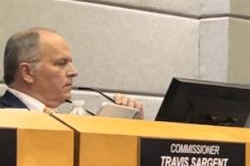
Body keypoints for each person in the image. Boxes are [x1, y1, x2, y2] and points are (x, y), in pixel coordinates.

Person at [1, 28, 144, 117]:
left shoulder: (62, 119)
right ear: (28, 72)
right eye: (61, 63)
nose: (73, 72)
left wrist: (131, 129)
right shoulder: (5, 120)